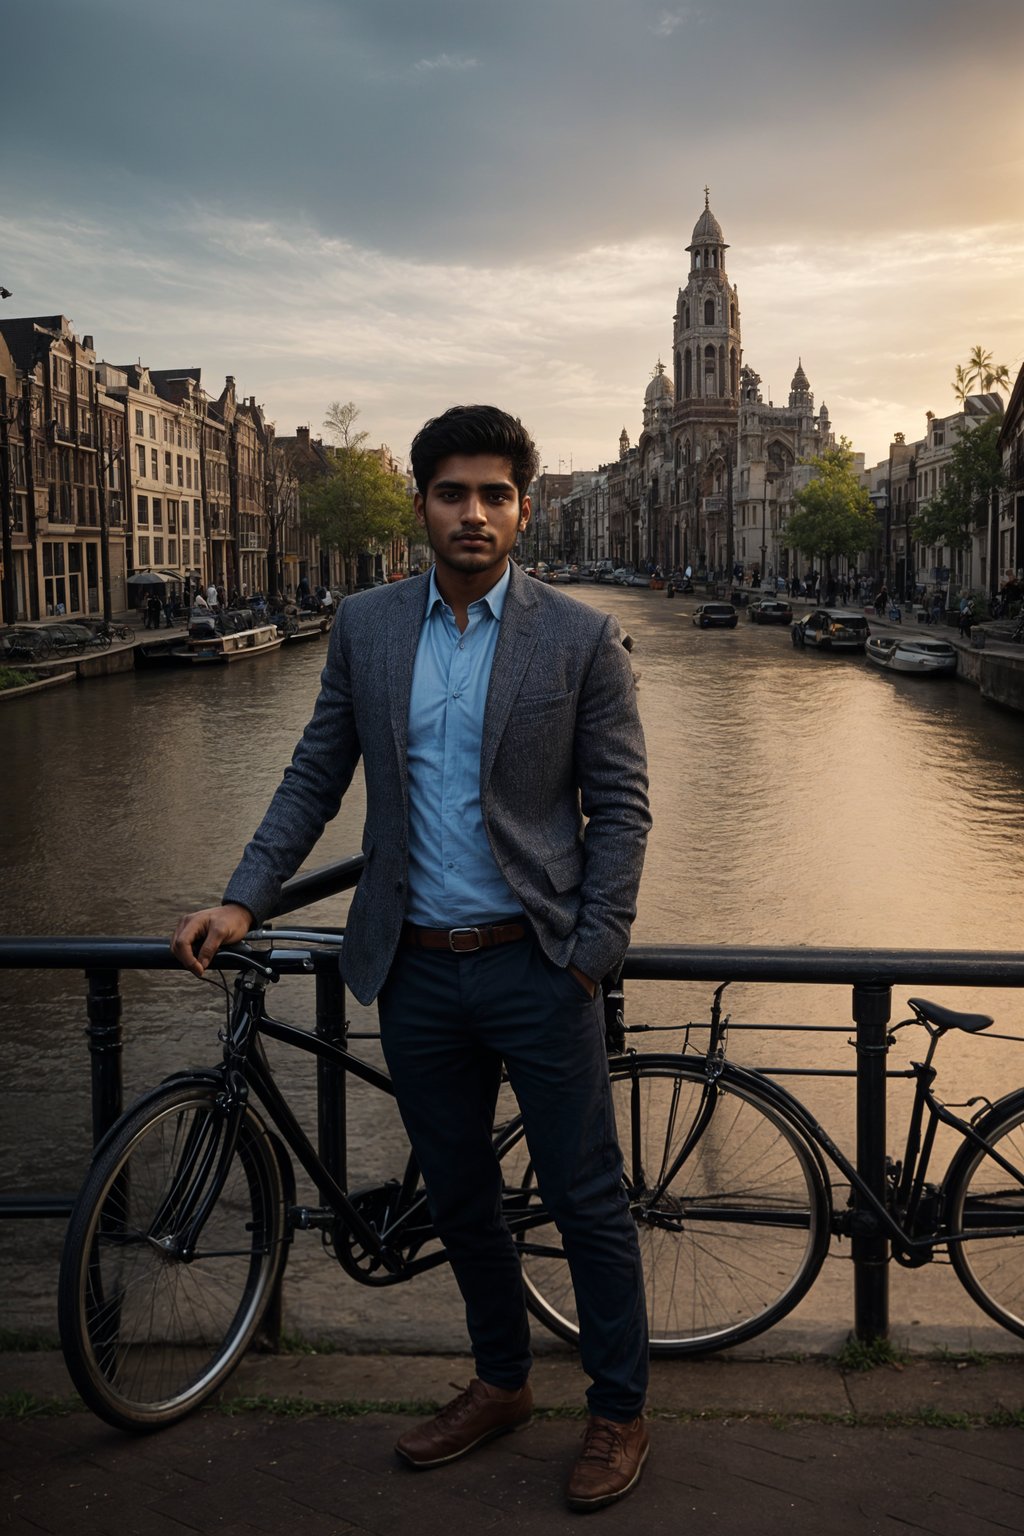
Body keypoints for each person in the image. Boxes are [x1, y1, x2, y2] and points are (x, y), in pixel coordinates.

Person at [170, 405, 652, 1512]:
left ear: (523, 508)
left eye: (493, 494)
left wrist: (593, 951)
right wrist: (244, 899)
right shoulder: (368, 625)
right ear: (423, 505)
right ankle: (500, 1382)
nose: (472, 512)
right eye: (451, 492)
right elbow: (313, 775)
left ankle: (618, 1410)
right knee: (464, 1196)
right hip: (417, 967)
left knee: (586, 1198)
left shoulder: (578, 639)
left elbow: (620, 810)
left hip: (538, 966)